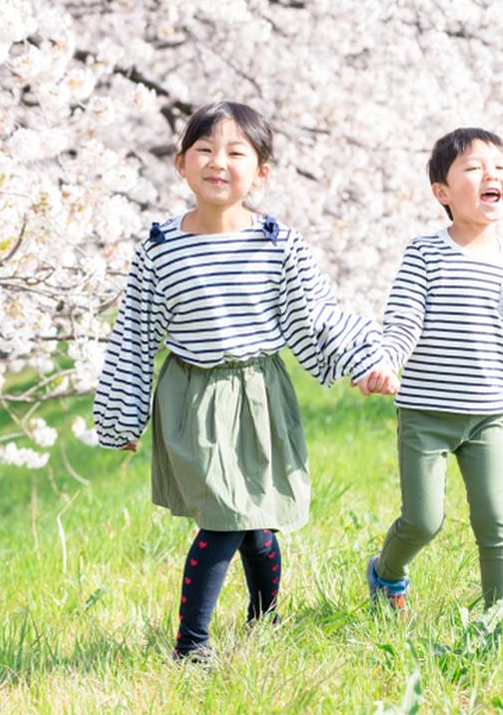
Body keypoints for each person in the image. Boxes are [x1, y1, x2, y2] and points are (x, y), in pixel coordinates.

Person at [93, 100, 398, 659]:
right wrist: (122, 415)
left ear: (260, 172)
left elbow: (316, 314)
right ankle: (192, 644)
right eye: (204, 150)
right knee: (225, 517)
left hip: (260, 394)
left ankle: (266, 616)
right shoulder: (161, 249)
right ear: (181, 164)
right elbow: (135, 334)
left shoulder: (277, 244)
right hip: (194, 398)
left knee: (254, 516)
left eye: (236, 152)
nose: (218, 162)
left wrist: (364, 360)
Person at [359, 127, 503, 615]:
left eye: (500, 166)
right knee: (424, 520)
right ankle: (387, 572)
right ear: (443, 193)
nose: (491, 174)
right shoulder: (426, 253)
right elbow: (402, 322)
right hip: (425, 415)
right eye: (474, 168)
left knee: (496, 521)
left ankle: (500, 620)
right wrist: (385, 362)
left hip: (487, 417)